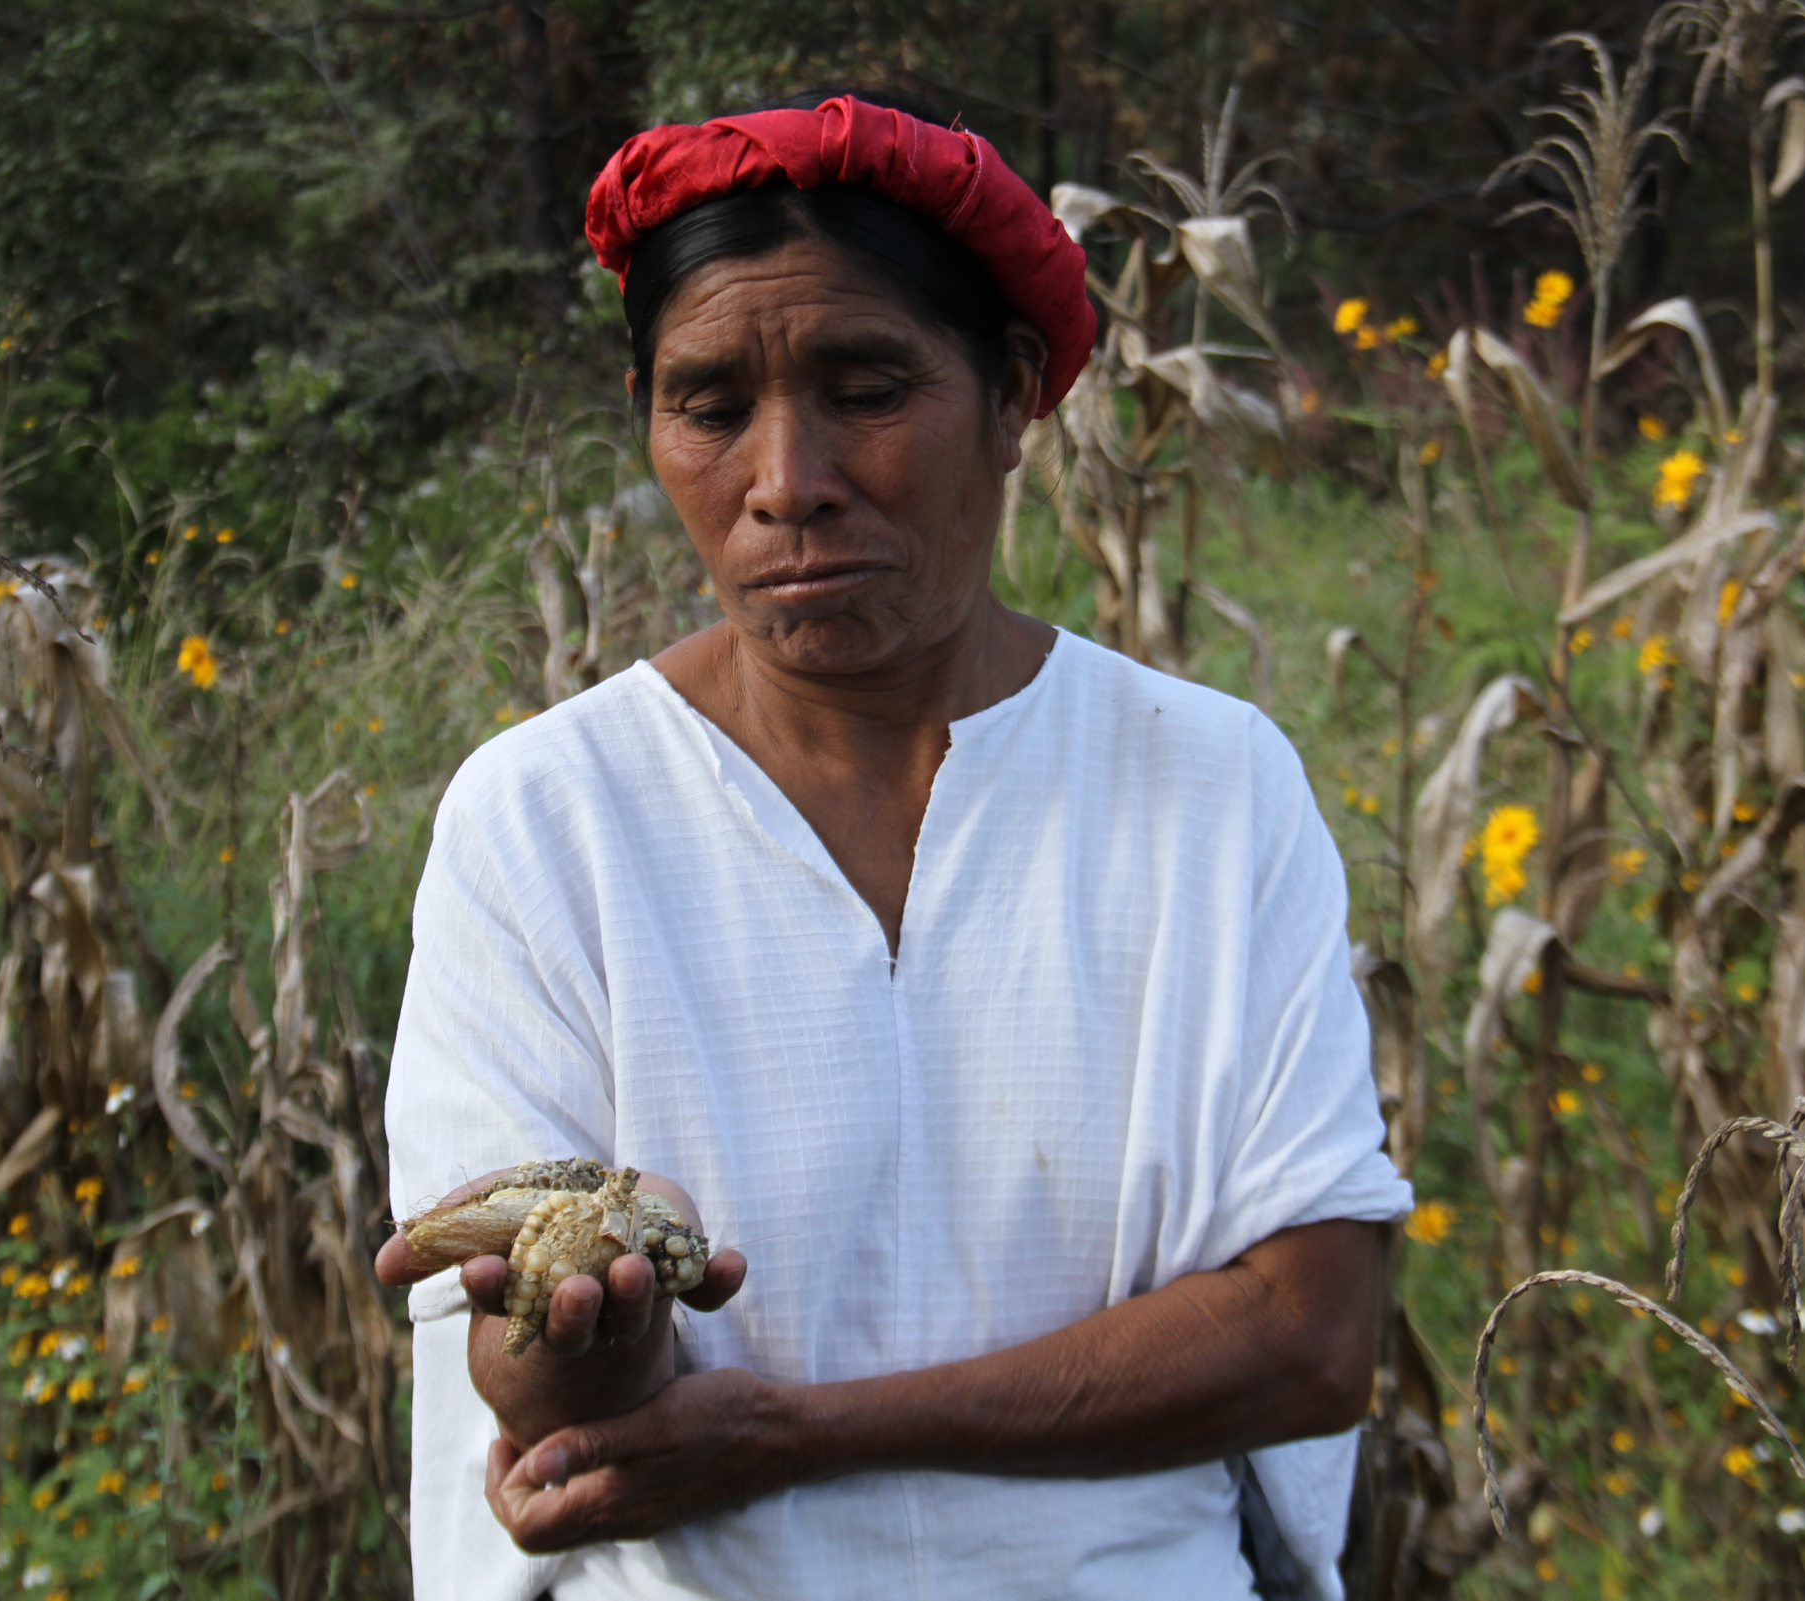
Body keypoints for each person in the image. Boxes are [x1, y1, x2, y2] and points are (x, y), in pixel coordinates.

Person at [375, 90, 1411, 1601]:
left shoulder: (1207, 788)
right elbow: (543, 1420)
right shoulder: (546, 818)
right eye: (711, 405)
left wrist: (797, 1432)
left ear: (1010, 396)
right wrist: (587, 1325)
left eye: (866, 387)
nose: (785, 479)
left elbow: (1312, 1335)